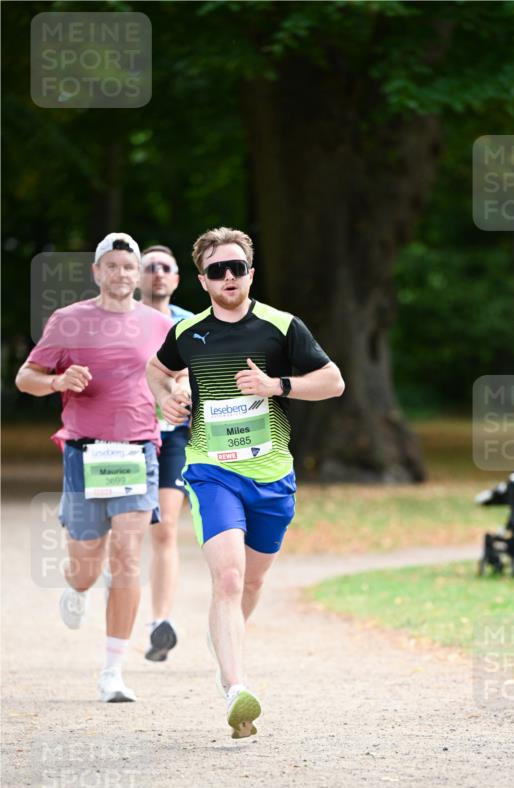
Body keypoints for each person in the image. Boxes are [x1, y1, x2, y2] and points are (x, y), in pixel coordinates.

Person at [146, 226, 345, 738]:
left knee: (252, 582)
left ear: (251, 273)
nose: (229, 276)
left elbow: (333, 381)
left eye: (237, 268)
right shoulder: (189, 333)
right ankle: (236, 688)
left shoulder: (281, 326)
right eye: (218, 270)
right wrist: (166, 397)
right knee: (229, 578)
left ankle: (225, 639)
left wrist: (277, 385)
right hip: (212, 470)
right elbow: (156, 369)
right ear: (203, 280)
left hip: (273, 475)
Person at [15, 233, 174, 703]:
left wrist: (177, 396)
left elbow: (173, 378)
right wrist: (60, 380)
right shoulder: (68, 321)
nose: (122, 274)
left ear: (137, 273)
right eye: (113, 266)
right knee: (84, 573)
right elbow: (26, 377)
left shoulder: (158, 326)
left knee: (127, 558)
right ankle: (81, 580)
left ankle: (113, 672)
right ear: (97, 272)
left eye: (130, 267)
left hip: (138, 451)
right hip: (85, 454)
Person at [140, 245, 194, 661]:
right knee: (120, 530)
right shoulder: (119, 322)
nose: (158, 274)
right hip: (122, 439)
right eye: (150, 268)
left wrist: (182, 387)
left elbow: (194, 373)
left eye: (165, 269)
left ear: (176, 279)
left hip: (172, 437)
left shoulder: (190, 326)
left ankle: (159, 623)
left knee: (165, 527)